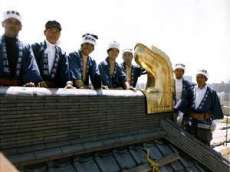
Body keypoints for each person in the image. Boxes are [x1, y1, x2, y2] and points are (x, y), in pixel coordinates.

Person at [0, 10, 42, 86]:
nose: (12, 25)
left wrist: (30, 82)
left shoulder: (26, 48)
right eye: (9, 21)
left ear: (20, 27)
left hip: (20, 92)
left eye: (16, 23)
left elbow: (33, 73)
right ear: (3, 24)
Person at [187, 69, 223, 146]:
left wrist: (212, 121)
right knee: (190, 147)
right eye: (198, 77)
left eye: (202, 77)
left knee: (204, 149)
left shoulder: (211, 92)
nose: (199, 79)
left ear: (206, 79)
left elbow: (216, 109)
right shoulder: (190, 90)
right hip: (191, 126)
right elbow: (185, 105)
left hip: (204, 128)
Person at [31, 20, 68, 88]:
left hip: (54, 91)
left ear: (60, 34)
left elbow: (64, 74)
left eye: (57, 31)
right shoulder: (35, 47)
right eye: (51, 30)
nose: (54, 34)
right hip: (35, 88)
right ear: (45, 32)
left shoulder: (62, 54)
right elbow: (30, 68)